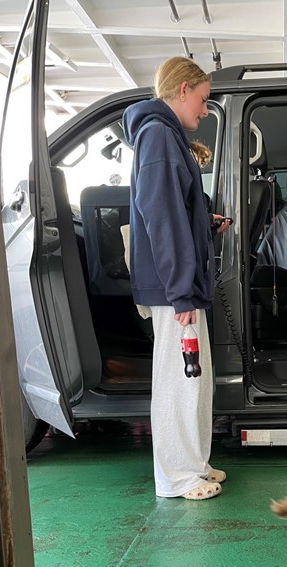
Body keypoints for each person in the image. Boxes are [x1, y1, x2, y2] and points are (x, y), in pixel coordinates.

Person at [123, 56, 231, 500]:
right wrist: (182, 291)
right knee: (177, 380)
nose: (204, 112)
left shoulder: (165, 138)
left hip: (180, 287)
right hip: (174, 291)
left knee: (195, 378)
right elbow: (161, 218)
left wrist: (205, 220)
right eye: (204, 100)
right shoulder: (158, 136)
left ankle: (194, 463)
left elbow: (177, 210)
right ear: (183, 89)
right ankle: (176, 477)